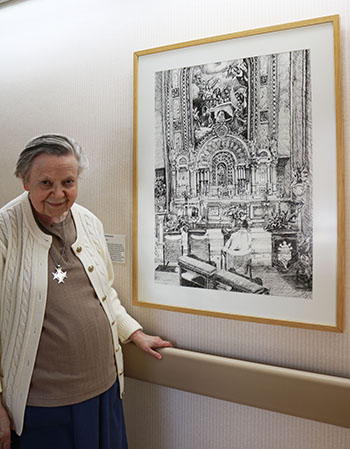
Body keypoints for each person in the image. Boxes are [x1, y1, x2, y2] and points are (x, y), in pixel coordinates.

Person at [0, 134, 172, 449]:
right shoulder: (5, 231)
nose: (58, 193)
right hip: (41, 407)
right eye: (45, 183)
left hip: (103, 391)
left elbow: (105, 292)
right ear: (25, 180)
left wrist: (133, 333)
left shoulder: (89, 222)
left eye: (68, 181)